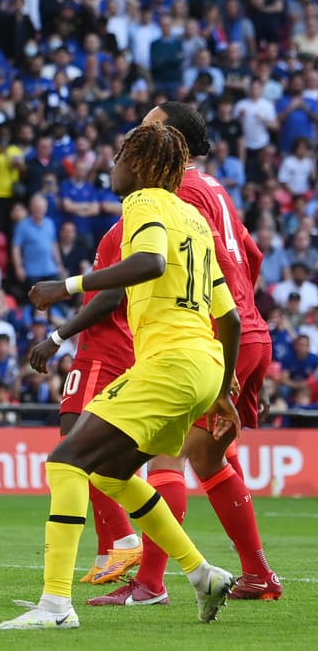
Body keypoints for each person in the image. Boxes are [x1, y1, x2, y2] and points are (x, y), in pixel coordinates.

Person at [0, 123, 239, 630]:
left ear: (140, 165)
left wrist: (66, 285)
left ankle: (55, 607)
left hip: (170, 363)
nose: (111, 167)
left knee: (66, 461)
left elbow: (148, 263)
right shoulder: (194, 219)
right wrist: (221, 391)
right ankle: (202, 575)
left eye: (118, 157)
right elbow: (230, 318)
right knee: (111, 473)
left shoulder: (143, 203)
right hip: (204, 363)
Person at [118, 101, 280, 601]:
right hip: (246, 330)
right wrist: (242, 323)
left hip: (208, 335)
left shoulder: (177, 191)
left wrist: (216, 340)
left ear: (171, 141)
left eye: (147, 128)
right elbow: (250, 255)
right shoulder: (213, 186)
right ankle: (258, 576)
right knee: (210, 459)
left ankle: (149, 584)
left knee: (164, 456)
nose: (135, 134)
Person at [27, 219, 141, 588]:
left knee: (74, 451)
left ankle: (123, 540)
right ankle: (108, 551)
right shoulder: (134, 226)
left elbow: (111, 296)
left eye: (122, 157)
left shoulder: (132, 227)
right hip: (110, 350)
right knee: (95, 455)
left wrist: (57, 337)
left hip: (103, 354)